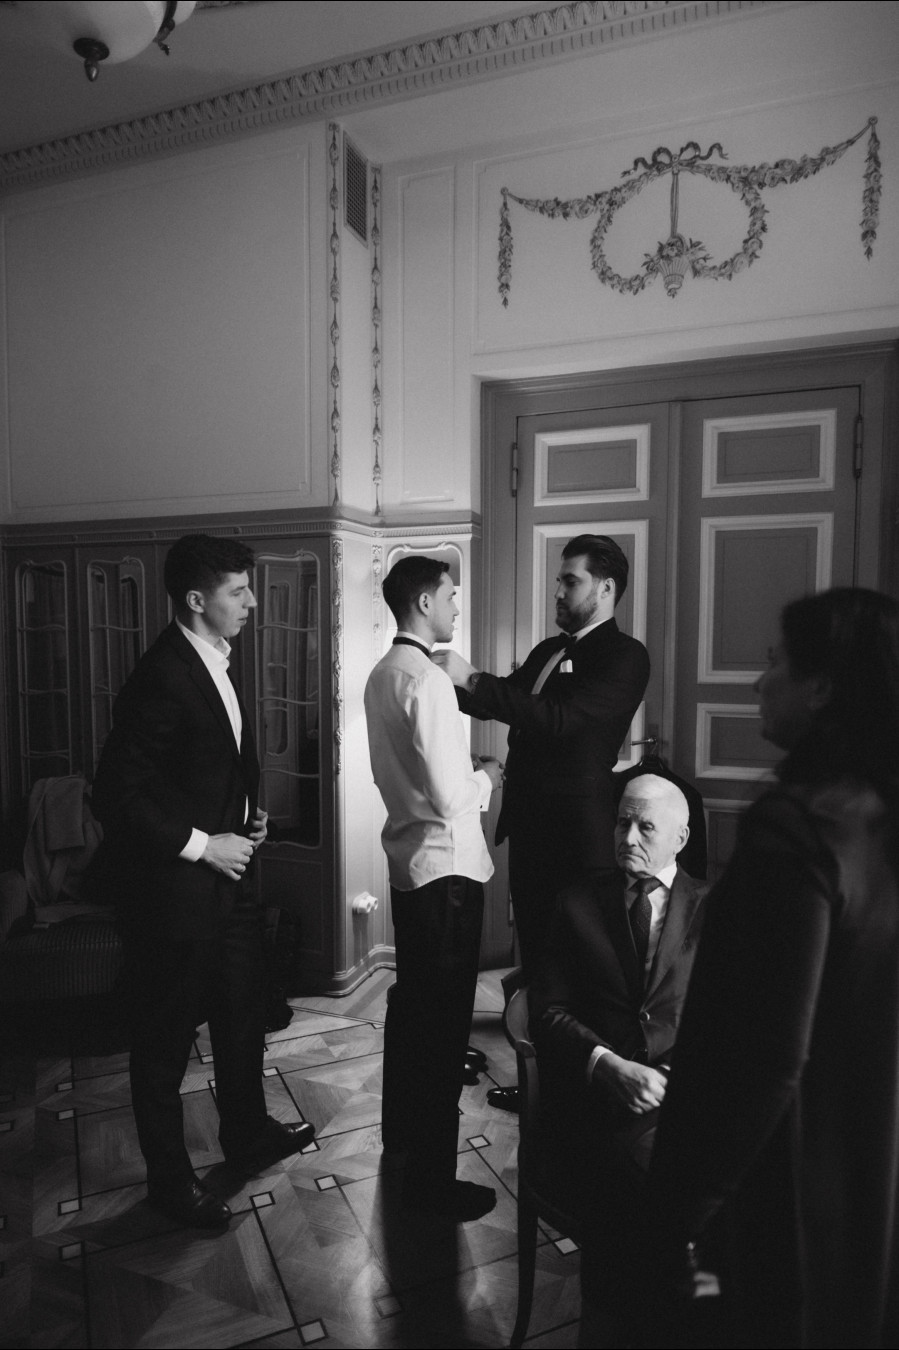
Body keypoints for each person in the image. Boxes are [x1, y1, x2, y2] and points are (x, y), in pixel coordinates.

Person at [646, 587, 899, 1349]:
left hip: (791, 1168)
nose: (759, 682)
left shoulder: (797, 829)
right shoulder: (876, 815)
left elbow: (763, 1054)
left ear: (819, 687)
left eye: (773, 663)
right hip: (871, 1146)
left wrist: (681, 1206)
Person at [92, 534, 314, 1229]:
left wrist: (247, 816)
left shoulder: (214, 658)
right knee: (162, 1044)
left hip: (231, 887)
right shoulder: (161, 675)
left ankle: (246, 1136)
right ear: (196, 599)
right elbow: (115, 794)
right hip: (175, 897)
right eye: (237, 591)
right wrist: (201, 845)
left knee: (243, 1019)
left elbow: (203, 767)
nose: (251, 602)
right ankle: (169, 1182)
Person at [434, 533, 649, 1111]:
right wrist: (435, 680)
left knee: (580, 973)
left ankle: (582, 1097)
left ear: (606, 589)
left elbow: (558, 719)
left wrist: (471, 678)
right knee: (538, 969)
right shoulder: (549, 649)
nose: (558, 591)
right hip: (530, 833)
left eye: (570, 581)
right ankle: (540, 1086)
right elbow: (505, 698)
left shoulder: (626, 657)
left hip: (579, 842)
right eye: (559, 579)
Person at [530, 775, 706, 1335]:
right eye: (622, 822)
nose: (628, 837)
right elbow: (547, 1012)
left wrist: (672, 1075)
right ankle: (623, 1322)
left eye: (645, 827)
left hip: (685, 1099)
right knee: (647, 1188)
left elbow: (731, 1017)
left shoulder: (715, 909)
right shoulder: (575, 903)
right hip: (597, 1101)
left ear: (680, 838)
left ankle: (666, 1318)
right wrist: (606, 1064)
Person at [364, 556, 503, 1222]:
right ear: (423, 601)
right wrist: (487, 776)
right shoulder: (429, 681)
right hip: (447, 875)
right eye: (450, 596)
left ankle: (401, 1142)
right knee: (443, 1033)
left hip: (409, 867)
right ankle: (432, 1185)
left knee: (412, 1014)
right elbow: (450, 798)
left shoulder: (381, 674)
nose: (455, 607)